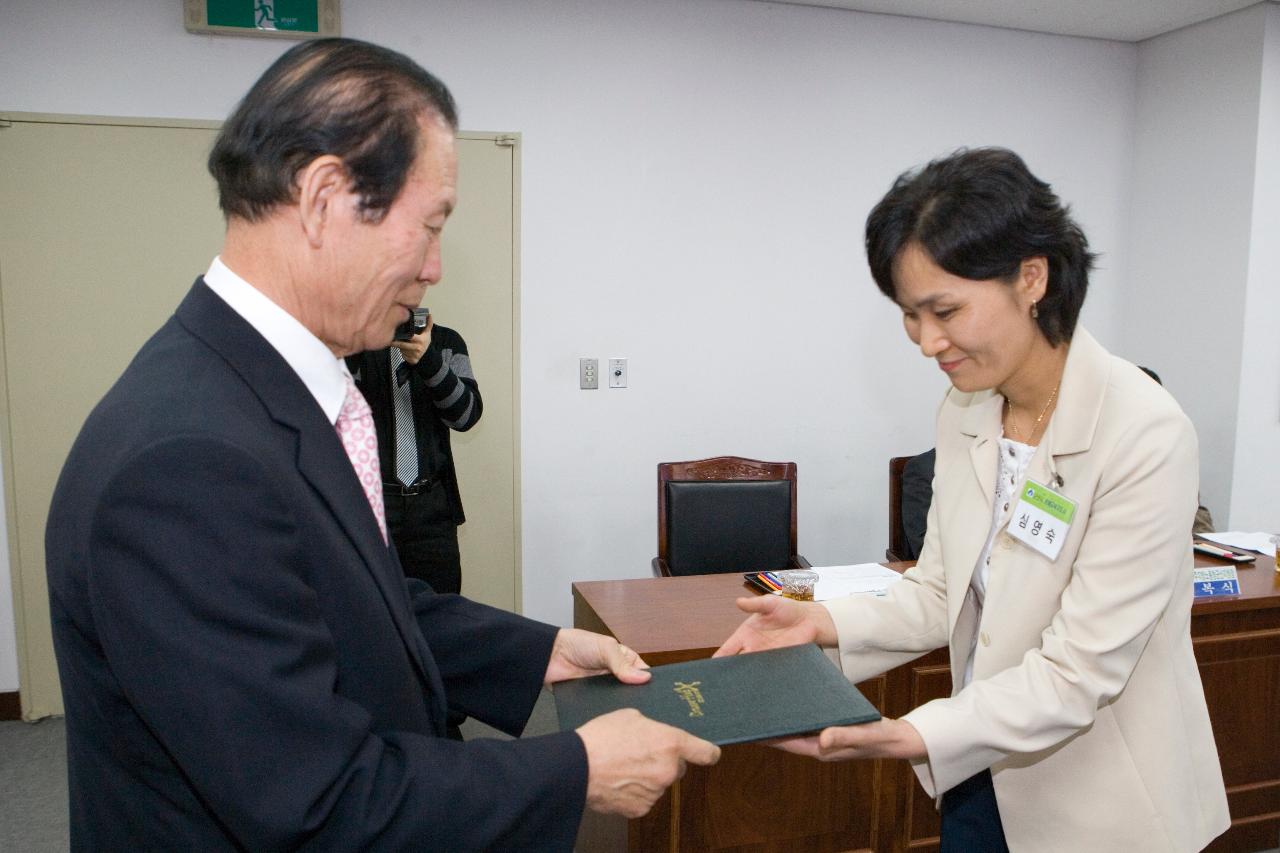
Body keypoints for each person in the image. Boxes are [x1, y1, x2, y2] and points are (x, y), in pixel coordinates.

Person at [44, 38, 718, 851]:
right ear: (326, 195)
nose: (435, 267)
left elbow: (352, 600)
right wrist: (576, 769)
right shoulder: (187, 461)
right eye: (430, 226)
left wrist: (538, 650)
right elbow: (317, 804)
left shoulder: (263, 387)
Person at [717, 148, 1228, 852]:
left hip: (1105, 799)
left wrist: (912, 731)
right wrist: (820, 623)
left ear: (1031, 277)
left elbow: (1079, 670)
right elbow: (940, 590)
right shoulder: (966, 409)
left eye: (946, 309)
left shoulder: (1144, 432)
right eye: (909, 315)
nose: (928, 341)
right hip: (980, 764)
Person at [347, 318, 480, 597]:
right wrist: (359, 339)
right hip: (371, 508)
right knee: (374, 611)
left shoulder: (447, 342)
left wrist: (427, 361)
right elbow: (336, 412)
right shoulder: (355, 341)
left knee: (443, 613)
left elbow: (466, 416)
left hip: (433, 509)